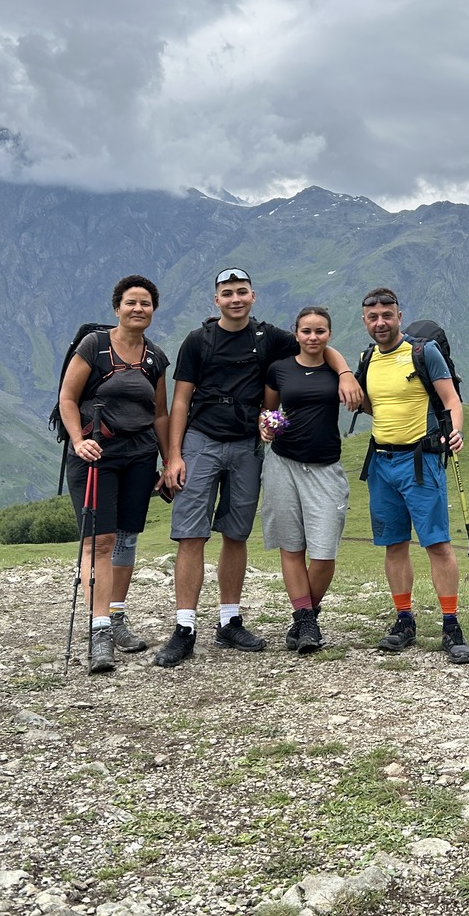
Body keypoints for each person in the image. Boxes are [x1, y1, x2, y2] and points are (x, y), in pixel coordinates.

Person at [156, 267, 361, 667]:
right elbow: (179, 400)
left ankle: (229, 621)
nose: (235, 299)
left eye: (242, 292)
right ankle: (184, 629)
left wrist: (346, 372)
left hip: (248, 445)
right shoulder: (198, 340)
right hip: (200, 440)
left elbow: (316, 342)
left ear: (253, 296)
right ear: (216, 300)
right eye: (227, 293)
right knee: (190, 534)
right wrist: (174, 456)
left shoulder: (270, 338)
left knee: (236, 534)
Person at [56, 275, 171, 673]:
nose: (138, 309)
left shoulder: (155, 356)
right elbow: (68, 398)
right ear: (116, 307)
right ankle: (100, 628)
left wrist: (169, 459)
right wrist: (76, 440)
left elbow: (159, 413)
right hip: (96, 451)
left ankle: (116, 616)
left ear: (153, 310)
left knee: (126, 536)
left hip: (139, 454)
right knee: (99, 541)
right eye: (131, 302)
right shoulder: (94, 346)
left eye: (146, 303)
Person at [356, 287, 469, 664]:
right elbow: (373, 405)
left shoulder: (423, 353)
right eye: (373, 317)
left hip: (420, 461)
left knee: (437, 543)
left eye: (387, 315)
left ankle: (451, 625)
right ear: (364, 321)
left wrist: (455, 431)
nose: (380, 323)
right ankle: (404, 620)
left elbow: (452, 399)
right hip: (381, 462)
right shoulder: (366, 359)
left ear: (399, 316)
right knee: (394, 544)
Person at [260, 306, 350, 654]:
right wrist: (265, 425)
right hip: (283, 463)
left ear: (329, 335)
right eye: (307, 331)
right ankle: (307, 621)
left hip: (326, 468)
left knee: (324, 552)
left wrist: (344, 373)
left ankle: (304, 616)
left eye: (320, 331)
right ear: (295, 333)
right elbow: (268, 410)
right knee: (292, 546)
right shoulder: (279, 370)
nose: (313, 337)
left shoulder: (338, 369)